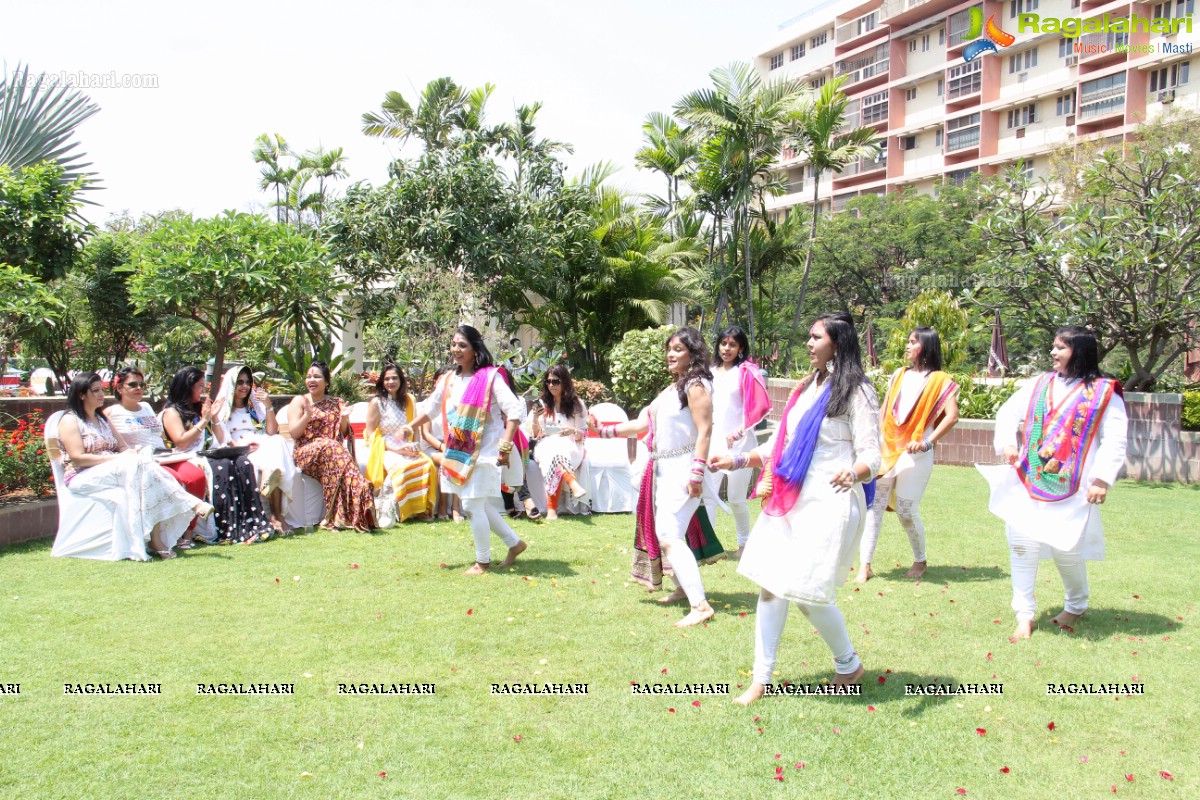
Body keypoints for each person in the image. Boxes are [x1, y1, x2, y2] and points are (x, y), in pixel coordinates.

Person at [711, 312, 881, 705]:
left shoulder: (856, 391)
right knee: (772, 585)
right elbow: (782, 444)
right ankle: (761, 679)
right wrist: (737, 461)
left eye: (816, 337)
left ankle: (848, 664)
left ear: (837, 343)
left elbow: (874, 454)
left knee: (805, 593)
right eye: (809, 336)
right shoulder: (809, 386)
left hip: (830, 500)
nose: (809, 343)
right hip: (790, 497)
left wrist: (853, 472)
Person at [978, 326, 1127, 640]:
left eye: (1060, 347)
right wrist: (1007, 444)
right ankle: (1024, 614)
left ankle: (1076, 604)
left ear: (1080, 351)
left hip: (1074, 485)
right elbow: (1008, 412)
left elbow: (1116, 439)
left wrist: (1102, 479)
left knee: (1066, 550)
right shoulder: (1040, 383)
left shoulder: (1103, 392)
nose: (1053, 353)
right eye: (1054, 346)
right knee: (1021, 544)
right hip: (1028, 478)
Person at [590, 327, 723, 628]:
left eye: (678, 349)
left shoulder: (696, 386)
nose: (671, 354)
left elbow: (705, 431)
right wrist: (604, 431)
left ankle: (700, 605)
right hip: (664, 470)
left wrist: (697, 472)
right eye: (669, 349)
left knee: (669, 536)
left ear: (693, 353)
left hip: (684, 470)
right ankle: (683, 588)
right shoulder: (672, 390)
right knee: (673, 533)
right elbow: (640, 424)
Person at [404, 325, 528, 574]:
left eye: (462, 345)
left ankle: (482, 562)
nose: (456, 350)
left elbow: (515, 411)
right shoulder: (450, 379)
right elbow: (430, 407)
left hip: (486, 451)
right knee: (478, 505)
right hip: (459, 450)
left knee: (471, 506)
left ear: (475, 349)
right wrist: (410, 426)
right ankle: (515, 544)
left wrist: (504, 446)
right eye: (453, 344)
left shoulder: (490, 377)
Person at [56, 372, 212, 560]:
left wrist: (129, 454)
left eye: (101, 390)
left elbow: (122, 446)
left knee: (143, 465)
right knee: (139, 465)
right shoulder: (70, 420)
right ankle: (189, 505)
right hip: (82, 475)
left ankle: (155, 539)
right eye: (95, 391)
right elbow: (78, 458)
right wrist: (117, 459)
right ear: (81, 394)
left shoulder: (102, 419)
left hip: (115, 468)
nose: (101, 395)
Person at [856, 327, 960, 582]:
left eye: (913, 342)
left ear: (926, 346)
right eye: (908, 340)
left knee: (905, 510)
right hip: (888, 449)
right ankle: (864, 566)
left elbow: (952, 416)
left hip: (917, 453)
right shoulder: (898, 375)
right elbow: (885, 410)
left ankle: (920, 560)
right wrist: (874, 440)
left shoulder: (940, 380)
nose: (907, 345)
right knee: (874, 507)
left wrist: (926, 442)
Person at [162, 366, 276, 545]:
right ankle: (224, 527)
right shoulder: (172, 413)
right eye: (200, 386)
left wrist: (214, 419)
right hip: (187, 456)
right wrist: (205, 420)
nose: (204, 390)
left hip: (210, 452)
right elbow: (181, 442)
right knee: (223, 467)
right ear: (187, 386)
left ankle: (248, 522)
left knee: (242, 462)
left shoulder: (202, 408)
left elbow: (221, 437)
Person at [104, 366, 208, 547]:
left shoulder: (146, 407)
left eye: (141, 384)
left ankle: (187, 533)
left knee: (196, 476)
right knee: (173, 478)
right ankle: (167, 534)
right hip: (140, 460)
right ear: (119, 388)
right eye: (132, 384)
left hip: (163, 456)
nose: (138, 388)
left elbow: (158, 435)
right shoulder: (111, 413)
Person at [704, 325, 771, 559]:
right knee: (708, 494)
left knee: (735, 498)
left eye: (733, 344)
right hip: (712, 442)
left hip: (740, 446)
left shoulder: (747, 371)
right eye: (723, 343)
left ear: (740, 347)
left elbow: (760, 407)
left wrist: (739, 431)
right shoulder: (708, 371)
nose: (727, 348)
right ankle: (709, 548)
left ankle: (744, 546)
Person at [287, 361, 376, 532]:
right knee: (329, 445)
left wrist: (343, 418)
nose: (311, 380)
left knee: (333, 454)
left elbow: (342, 433)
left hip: (332, 455)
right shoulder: (300, 401)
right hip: (306, 454)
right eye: (309, 376)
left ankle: (341, 517)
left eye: (317, 376)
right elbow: (294, 433)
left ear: (327, 382)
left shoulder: (336, 403)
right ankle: (361, 488)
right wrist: (307, 415)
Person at [212, 366, 294, 534]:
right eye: (240, 382)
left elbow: (271, 431)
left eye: (248, 382)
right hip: (241, 448)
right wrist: (243, 449)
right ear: (232, 384)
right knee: (275, 458)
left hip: (261, 444)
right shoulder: (223, 409)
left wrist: (269, 405)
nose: (245, 386)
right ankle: (277, 516)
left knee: (278, 440)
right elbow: (222, 439)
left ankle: (270, 485)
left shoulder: (253, 407)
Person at [364, 363, 438, 525]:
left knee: (427, 464)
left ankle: (420, 509)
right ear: (382, 382)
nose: (391, 382)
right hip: (386, 447)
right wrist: (396, 449)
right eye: (387, 379)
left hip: (407, 446)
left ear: (401, 380)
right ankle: (400, 509)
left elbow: (415, 429)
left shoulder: (409, 400)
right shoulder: (377, 402)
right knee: (401, 468)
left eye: (394, 378)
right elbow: (370, 434)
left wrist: (415, 447)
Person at [530, 364, 589, 521]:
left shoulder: (577, 404)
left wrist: (572, 431)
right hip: (545, 445)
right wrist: (536, 418)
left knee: (557, 452)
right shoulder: (542, 403)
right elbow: (535, 434)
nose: (551, 385)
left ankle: (551, 510)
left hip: (571, 445)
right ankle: (572, 483)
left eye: (555, 382)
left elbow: (583, 433)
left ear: (564, 382)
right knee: (553, 450)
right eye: (548, 382)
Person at [420, 365, 465, 522]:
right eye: (442, 381)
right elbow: (425, 434)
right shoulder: (428, 404)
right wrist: (442, 447)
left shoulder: (456, 405)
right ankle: (443, 506)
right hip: (431, 447)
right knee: (449, 461)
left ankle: (456, 507)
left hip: (451, 447)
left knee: (458, 459)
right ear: (435, 382)